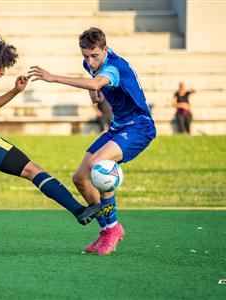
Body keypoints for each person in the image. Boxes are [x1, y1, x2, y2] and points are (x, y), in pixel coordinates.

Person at [0, 28, 111, 254]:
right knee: (33, 170)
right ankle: (79, 211)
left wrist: (14, 91)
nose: (3, 71)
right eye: (1, 66)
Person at [29, 27, 156, 255]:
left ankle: (114, 229)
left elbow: (99, 83)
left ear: (105, 49)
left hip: (139, 127)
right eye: (85, 56)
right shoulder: (92, 63)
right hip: (118, 127)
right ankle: (108, 229)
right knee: (80, 178)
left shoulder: (114, 66)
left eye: (94, 55)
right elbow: (98, 85)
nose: (90, 60)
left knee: (100, 166)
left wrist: (54, 78)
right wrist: (96, 94)